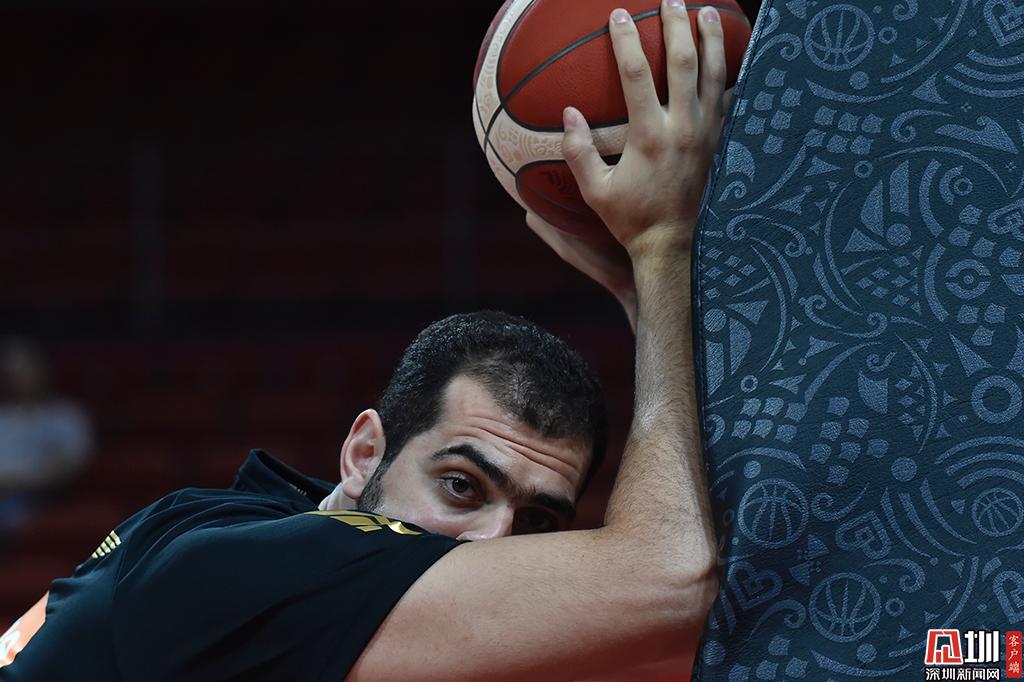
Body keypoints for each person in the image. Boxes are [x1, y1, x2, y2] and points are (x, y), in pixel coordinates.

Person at [0, 2, 725, 679]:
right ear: (364, 452)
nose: (492, 543)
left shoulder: (240, 543)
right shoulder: (267, 575)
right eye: (460, 485)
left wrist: (642, 297)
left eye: (536, 521)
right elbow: (675, 579)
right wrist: (662, 244)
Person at [0, 339, 93, 530]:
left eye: (25, 368)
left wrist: (21, 482)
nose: (19, 377)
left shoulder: (66, 416)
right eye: (12, 370)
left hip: (45, 499)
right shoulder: (3, 416)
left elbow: (71, 464)